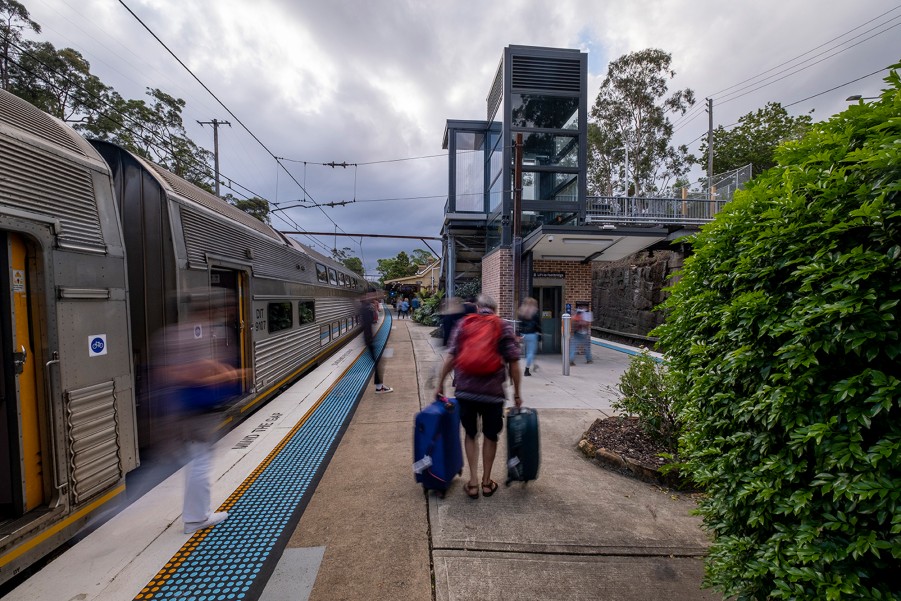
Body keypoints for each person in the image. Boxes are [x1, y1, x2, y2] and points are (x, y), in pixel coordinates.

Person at [152, 292, 242, 535]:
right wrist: (225, 375)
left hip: (182, 409)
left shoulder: (175, 333)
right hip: (191, 409)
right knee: (200, 461)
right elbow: (179, 372)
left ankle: (197, 514)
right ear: (208, 311)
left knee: (197, 459)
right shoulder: (195, 334)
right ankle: (197, 517)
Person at [435, 294, 522, 499]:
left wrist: (440, 384)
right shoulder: (503, 326)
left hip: (466, 391)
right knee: (491, 436)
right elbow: (514, 363)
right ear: (495, 309)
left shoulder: (464, 323)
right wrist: (517, 394)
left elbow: (450, 357)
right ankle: (486, 483)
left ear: (477, 307)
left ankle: (472, 482)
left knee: (471, 434)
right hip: (493, 394)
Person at [360, 290, 393, 394]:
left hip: (369, 339)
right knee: (378, 362)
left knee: (377, 362)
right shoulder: (366, 308)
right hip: (369, 339)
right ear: (366, 295)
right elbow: (369, 322)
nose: (373, 296)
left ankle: (380, 386)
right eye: (371, 294)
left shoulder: (366, 306)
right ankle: (379, 388)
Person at [517, 297, 541, 376]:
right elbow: (538, 326)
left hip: (523, 335)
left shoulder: (521, 312)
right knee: (531, 352)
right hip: (532, 335)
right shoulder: (534, 314)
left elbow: (519, 325)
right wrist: (540, 335)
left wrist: (518, 335)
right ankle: (527, 370)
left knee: (529, 352)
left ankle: (534, 365)